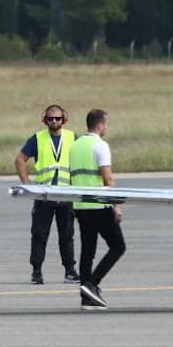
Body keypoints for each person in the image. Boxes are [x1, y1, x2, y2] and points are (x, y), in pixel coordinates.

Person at [14, 104, 79, 286]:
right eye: (50, 118)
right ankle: (36, 272)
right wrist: (27, 184)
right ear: (45, 120)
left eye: (57, 118)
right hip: (44, 196)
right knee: (39, 236)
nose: (54, 121)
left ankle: (70, 271)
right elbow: (20, 160)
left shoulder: (73, 137)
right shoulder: (37, 138)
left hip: (66, 195)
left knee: (67, 236)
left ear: (63, 119)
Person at [68, 108, 126, 310]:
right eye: (106, 124)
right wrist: (117, 204)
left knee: (88, 250)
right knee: (118, 246)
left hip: (80, 205)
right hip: (98, 205)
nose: (106, 127)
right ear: (100, 125)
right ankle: (92, 284)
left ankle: (86, 297)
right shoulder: (100, 145)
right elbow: (108, 178)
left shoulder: (74, 146)